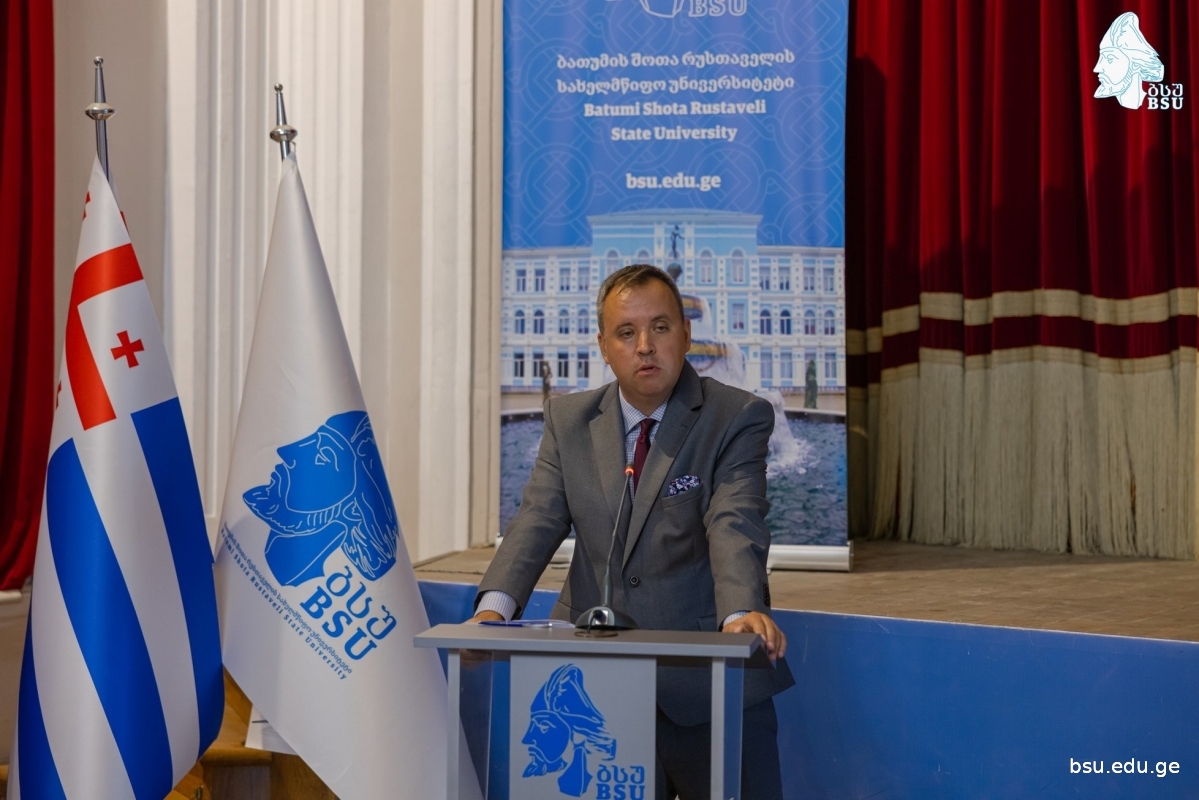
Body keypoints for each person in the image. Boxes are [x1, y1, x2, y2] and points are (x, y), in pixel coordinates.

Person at [472, 264, 794, 799]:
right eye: (626, 332)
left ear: (685, 334)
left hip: (708, 681)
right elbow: (538, 518)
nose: (645, 346)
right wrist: (494, 611)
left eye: (660, 327)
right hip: (597, 686)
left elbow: (734, 520)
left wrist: (739, 612)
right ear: (604, 346)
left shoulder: (736, 415)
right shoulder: (568, 420)